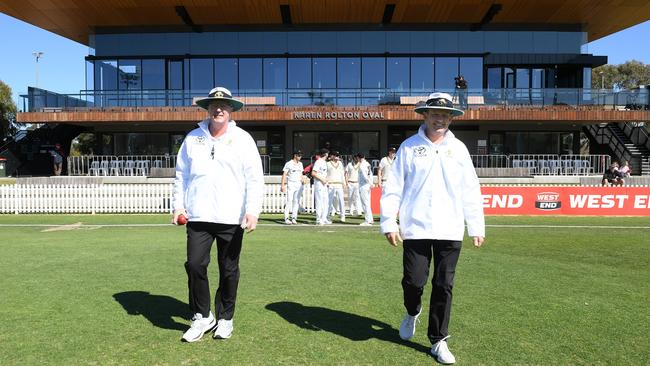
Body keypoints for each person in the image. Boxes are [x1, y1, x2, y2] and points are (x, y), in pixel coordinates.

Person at [380, 92, 485, 364]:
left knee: (444, 284)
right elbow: (393, 188)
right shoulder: (409, 147)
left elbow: (470, 189)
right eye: (435, 113)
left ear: (451, 118)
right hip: (415, 227)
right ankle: (412, 311)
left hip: (450, 228)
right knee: (413, 282)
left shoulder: (459, 149)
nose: (440, 119)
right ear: (425, 115)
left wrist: (475, 225)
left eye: (445, 115)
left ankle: (439, 340)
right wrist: (389, 222)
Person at [172, 86, 264, 343]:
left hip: (231, 217)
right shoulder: (192, 138)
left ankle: (225, 318)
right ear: (207, 108)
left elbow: (254, 178)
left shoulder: (243, 139)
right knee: (194, 264)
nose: (219, 108)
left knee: (229, 268)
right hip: (198, 215)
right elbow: (181, 176)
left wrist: (252, 210)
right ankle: (202, 316)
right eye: (213, 105)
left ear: (232, 110)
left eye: (224, 105)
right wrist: (178, 206)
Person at [281, 150, 304, 225]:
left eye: (301, 155)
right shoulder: (289, 163)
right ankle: (286, 218)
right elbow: (284, 174)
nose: (300, 156)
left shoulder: (300, 164)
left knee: (296, 201)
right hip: (291, 184)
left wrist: (303, 180)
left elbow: (301, 174)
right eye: (299, 155)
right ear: (295, 155)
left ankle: (294, 217)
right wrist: (282, 185)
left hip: (298, 184)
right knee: (289, 201)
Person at [326, 151, 347, 223]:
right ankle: (327, 216)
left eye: (338, 156)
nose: (337, 157)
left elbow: (342, 174)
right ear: (332, 156)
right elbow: (325, 174)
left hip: (339, 184)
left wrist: (344, 183)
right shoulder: (328, 164)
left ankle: (343, 216)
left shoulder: (340, 163)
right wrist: (327, 182)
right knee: (329, 201)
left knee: (341, 200)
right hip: (331, 184)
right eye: (335, 156)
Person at [311, 148, 330, 225]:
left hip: (324, 184)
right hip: (319, 184)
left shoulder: (325, 162)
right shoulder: (318, 162)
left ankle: (324, 218)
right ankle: (318, 219)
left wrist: (326, 182)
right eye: (327, 154)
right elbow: (313, 173)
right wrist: (322, 179)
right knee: (319, 201)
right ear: (325, 154)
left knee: (326, 201)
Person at [357, 152, 374, 226]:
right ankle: (370, 219)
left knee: (365, 203)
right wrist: (371, 183)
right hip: (367, 185)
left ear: (358, 158)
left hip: (364, 185)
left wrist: (370, 183)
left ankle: (367, 220)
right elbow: (371, 174)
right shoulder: (368, 164)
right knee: (367, 203)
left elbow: (365, 176)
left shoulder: (362, 165)